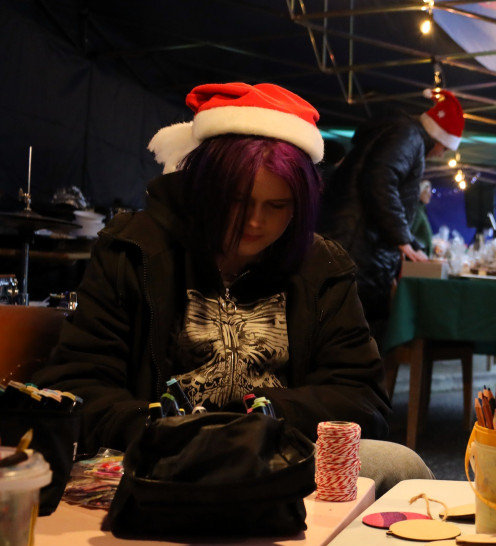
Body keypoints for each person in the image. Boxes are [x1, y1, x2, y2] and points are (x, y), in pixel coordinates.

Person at [33, 82, 433, 494]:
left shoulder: (323, 266)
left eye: (277, 206)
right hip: (156, 463)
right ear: (202, 187)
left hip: (282, 456)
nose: (255, 222)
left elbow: (362, 399)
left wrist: (263, 417)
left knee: (401, 464)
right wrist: (158, 427)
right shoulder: (134, 250)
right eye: (237, 201)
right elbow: (75, 386)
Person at [318, 90, 464, 334]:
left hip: (357, 246)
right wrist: (402, 239)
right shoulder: (409, 136)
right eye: (445, 148)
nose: (441, 154)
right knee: (348, 331)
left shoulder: (402, 135)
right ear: (439, 137)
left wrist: (410, 243)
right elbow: (381, 180)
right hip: (357, 250)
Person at [409, 179, 434, 257]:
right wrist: (417, 249)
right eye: (427, 192)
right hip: (418, 255)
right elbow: (410, 232)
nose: (430, 195)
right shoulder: (417, 210)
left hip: (421, 254)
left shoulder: (421, 210)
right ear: (421, 192)